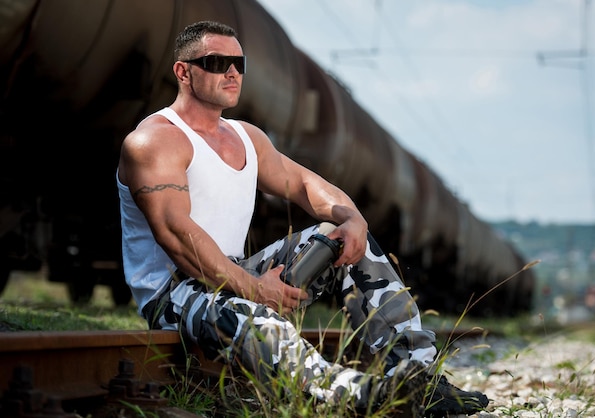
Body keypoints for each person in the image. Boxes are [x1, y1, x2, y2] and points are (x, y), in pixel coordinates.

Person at [116, 20, 489, 416]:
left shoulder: (246, 137)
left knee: (339, 235)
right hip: (175, 293)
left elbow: (304, 184)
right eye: (216, 61)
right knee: (262, 323)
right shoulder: (154, 140)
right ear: (183, 71)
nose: (231, 72)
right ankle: (360, 396)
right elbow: (177, 235)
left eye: (239, 63)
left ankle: (420, 376)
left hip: (235, 271)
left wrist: (353, 218)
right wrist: (256, 290)